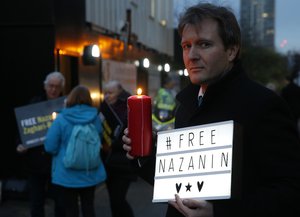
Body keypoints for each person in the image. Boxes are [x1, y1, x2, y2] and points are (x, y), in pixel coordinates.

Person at [122, 3, 300, 217]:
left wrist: (220, 213)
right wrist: (144, 154)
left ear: (231, 50)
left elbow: (290, 192)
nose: (192, 55)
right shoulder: (186, 105)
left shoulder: (264, 105)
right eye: (186, 45)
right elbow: (179, 186)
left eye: (204, 44)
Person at [44, 85, 106, 217]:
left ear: (70, 98)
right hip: (90, 172)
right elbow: (99, 139)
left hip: (66, 174)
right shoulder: (95, 117)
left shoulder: (61, 118)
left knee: (70, 210)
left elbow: (50, 146)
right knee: (88, 207)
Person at [16, 71, 66, 217]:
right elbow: (23, 128)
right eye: (51, 86)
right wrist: (20, 144)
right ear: (45, 86)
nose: (53, 90)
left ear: (61, 88)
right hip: (35, 163)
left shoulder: (66, 106)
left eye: (57, 87)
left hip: (58, 163)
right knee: (36, 204)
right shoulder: (34, 104)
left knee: (61, 204)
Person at [101, 80, 137, 217]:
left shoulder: (129, 107)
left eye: (110, 93)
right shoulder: (105, 106)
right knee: (113, 200)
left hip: (124, 163)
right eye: (105, 93)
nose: (107, 96)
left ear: (119, 92)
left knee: (118, 199)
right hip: (109, 162)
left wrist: (112, 143)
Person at [281, 71, 300, 135]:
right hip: (297, 110)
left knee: (289, 123)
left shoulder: (285, 89)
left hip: (288, 109)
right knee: (295, 123)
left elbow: (282, 100)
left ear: (287, 80)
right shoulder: (298, 88)